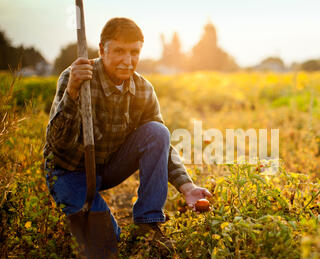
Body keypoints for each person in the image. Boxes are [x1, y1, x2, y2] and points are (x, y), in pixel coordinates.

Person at [44, 17, 211, 246]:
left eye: (134, 52)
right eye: (120, 51)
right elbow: (56, 144)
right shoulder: (76, 78)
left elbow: (160, 144)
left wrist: (187, 186)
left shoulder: (143, 89)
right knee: (107, 247)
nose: (127, 60)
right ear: (102, 50)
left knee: (157, 131)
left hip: (108, 168)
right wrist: (72, 91)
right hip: (69, 171)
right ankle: (88, 220)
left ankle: (147, 224)